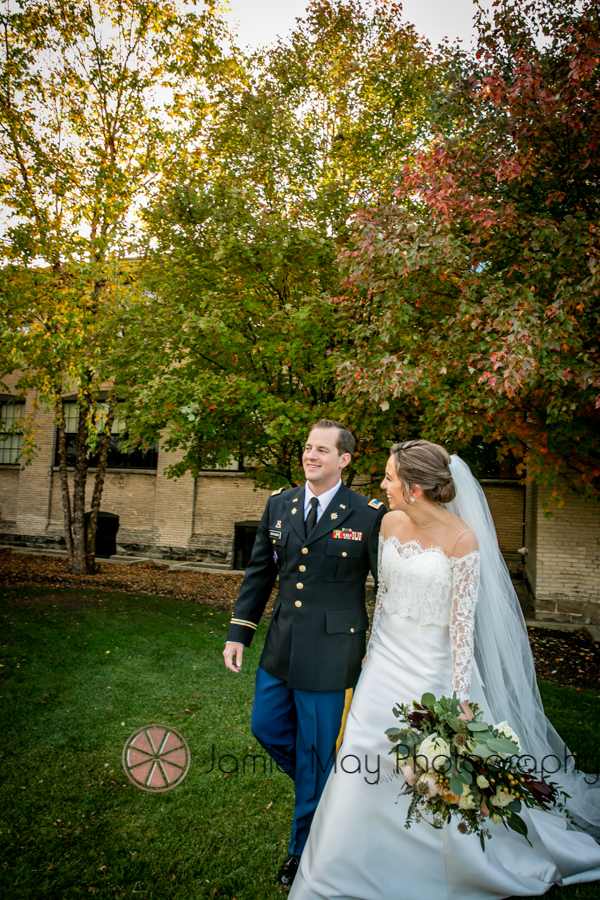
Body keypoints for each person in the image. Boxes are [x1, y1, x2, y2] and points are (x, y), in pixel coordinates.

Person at [290, 439, 600, 900]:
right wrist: (370, 654)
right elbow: (387, 598)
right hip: (384, 665)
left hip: (431, 673)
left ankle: (439, 867)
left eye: (390, 477)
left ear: (414, 488)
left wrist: (458, 701)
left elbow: (462, 627)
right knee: (360, 762)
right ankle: (336, 869)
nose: (383, 484)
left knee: (430, 774)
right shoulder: (390, 522)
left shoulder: (462, 540)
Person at [223, 419, 386, 886]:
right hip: (282, 645)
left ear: (344, 459)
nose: (310, 455)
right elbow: (260, 572)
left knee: (316, 757)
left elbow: (387, 589)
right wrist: (239, 632)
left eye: (321, 450)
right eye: (308, 447)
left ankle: (304, 852)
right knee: (266, 727)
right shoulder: (280, 504)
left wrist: (374, 646)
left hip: (334, 654)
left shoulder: (367, 514)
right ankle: (335, 792)